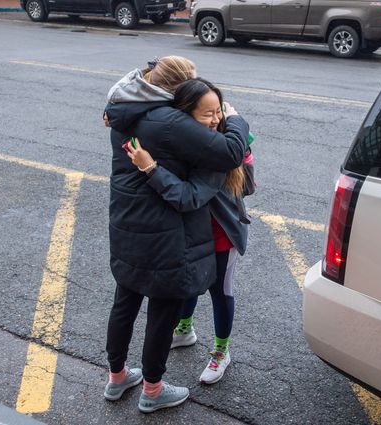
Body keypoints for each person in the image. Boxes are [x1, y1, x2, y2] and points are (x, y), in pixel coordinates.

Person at [102, 57, 249, 413]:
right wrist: (235, 117)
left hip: (127, 225)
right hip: (163, 235)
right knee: (162, 311)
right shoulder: (170, 121)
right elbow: (231, 151)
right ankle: (153, 389)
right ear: (176, 90)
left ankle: (117, 377)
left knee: (125, 302)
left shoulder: (125, 111)